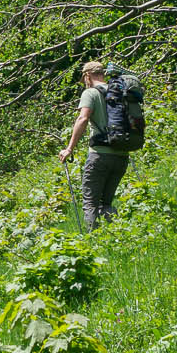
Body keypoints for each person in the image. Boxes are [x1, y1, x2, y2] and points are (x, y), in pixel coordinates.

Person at [59, 60, 134, 229]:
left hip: (99, 155)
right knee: (106, 202)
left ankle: (93, 242)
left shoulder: (90, 93)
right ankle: (114, 238)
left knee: (90, 203)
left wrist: (69, 149)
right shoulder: (120, 91)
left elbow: (83, 118)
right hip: (121, 156)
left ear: (87, 76)